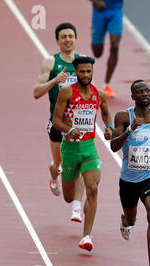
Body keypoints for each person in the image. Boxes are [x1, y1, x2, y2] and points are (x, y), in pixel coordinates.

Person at [52, 56, 113, 251]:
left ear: (92, 72)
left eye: (89, 71)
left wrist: (109, 126)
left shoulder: (99, 94)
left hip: (89, 148)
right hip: (69, 148)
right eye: (82, 71)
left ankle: (86, 236)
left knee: (93, 189)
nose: (85, 75)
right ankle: (59, 171)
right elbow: (56, 120)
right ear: (76, 73)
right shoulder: (67, 93)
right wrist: (69, 130)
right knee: (69, 198)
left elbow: (105, 112)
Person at [111, 80, 150, 266]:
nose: (144, 94)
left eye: (147, 91)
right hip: (128, 180)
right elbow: (113, 145)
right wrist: (130, 130)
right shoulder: (124, 117)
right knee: (132, 219)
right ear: (132, 97)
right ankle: (125, 221)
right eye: (139, 92)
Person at [33, 22, 86, 223]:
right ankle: (53, 171)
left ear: (76, 39)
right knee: (60, 164)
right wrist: (55, 81)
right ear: (57, 40)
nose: (67, 39)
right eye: (63, 36)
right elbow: (36, 92)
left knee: (79, 164)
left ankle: (76, 207)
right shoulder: (50, 63)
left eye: (70, 36)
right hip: (56, 123)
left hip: (78, 124)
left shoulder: (83, 63)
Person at [89, 0, 124, 98]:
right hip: (99, 12)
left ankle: (106, 85)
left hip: (115, 12)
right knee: (97, 53)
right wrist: (95, 2)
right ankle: (94, 30)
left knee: (115, 46)